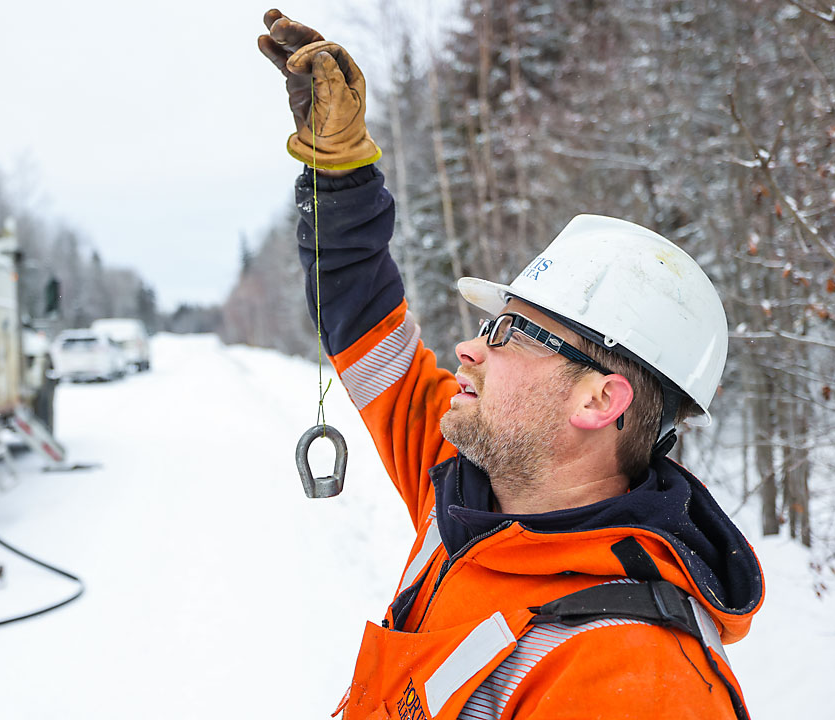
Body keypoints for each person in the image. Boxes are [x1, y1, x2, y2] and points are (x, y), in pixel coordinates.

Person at [259, 10, 763, 719]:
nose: (469, 349)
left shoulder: (637, 678)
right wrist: (339, 175)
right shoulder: (467, 489)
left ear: (599, 400)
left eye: (509, 333)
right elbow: (363, 322)